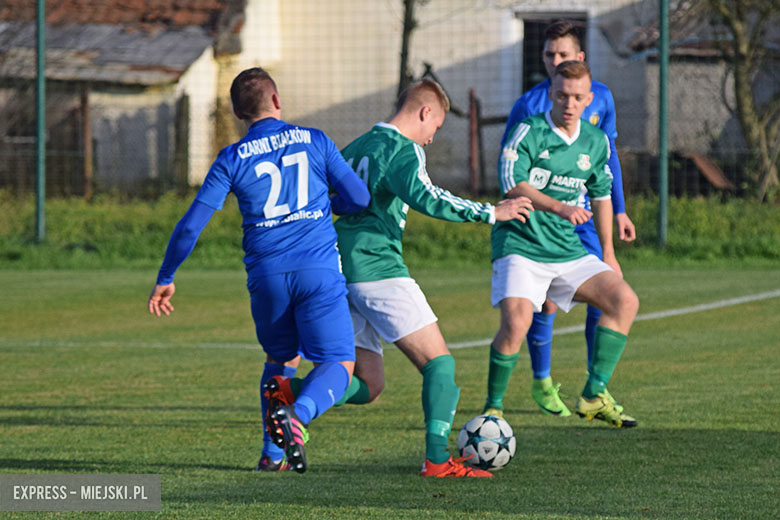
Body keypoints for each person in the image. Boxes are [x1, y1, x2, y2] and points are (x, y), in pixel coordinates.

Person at [266, 78, 534, 477]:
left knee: (368, 383)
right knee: (439, 365)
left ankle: (293, 399)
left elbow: (323, 199)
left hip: (338, 270)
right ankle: (437, 461)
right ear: (425, 112)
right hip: (377, 270)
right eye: (436, 128)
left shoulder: (357, 146)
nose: (430, 139)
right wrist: (492, 212)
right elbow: (429, 197)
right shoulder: (401, 149)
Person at [147, 67, 371, 474]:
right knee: (338, 362)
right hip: (317, 269)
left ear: (237, 113)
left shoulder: (231, 158)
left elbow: (192, 225)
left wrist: (166, 276)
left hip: (267, 277)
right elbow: (359, 196)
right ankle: (298, 417)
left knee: (281, 360)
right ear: (277, 100)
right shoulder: (316, 140)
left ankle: (271, 455)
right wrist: (325, 207)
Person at [483, 60, 639, 428]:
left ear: (589, 100)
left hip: (567, 251)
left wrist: (609, 254)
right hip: (520, 245)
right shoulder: (528, 131)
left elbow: (601, 197)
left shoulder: (595, 141)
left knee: (624, 300)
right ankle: (493, 407)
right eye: (562, 95)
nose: (569, 103)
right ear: (551, 94)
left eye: (577, 97)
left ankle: (592, 395)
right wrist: (559, 207)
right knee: (517, 322)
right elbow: (511, 182)